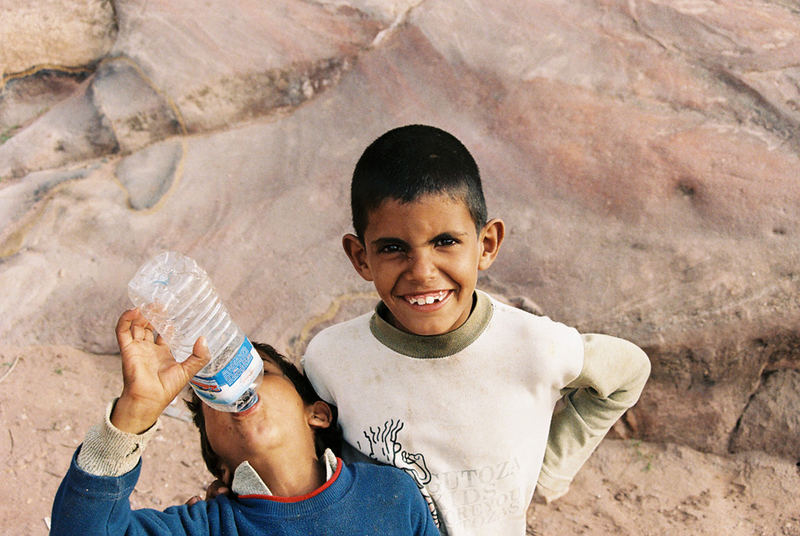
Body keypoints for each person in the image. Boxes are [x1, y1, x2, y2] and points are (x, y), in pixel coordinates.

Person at [301, 124, 651, 535]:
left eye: (445, 241)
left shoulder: (534, 346)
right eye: (393, 248)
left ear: (486, 245)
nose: (422, 271)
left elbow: (629, 371)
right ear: (360, 257)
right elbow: (304, 454)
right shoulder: (331, 358)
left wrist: (550, 470)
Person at [50, 308, 439, 536]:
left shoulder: (390, 493)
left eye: (258, 373)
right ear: (217, 461)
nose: (234, 390)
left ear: (317, 414)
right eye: (211, 395)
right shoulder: (208, 526)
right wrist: (135, 412)